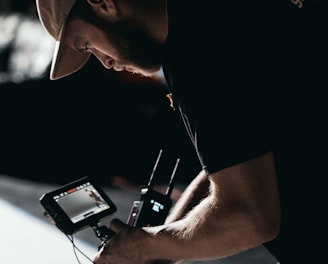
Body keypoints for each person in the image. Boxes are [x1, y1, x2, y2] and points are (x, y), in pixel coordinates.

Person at [35, 0, 327, 263]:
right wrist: (158, 245)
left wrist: (142, 248)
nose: (107, 62)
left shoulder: (193, 52)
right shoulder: (214, 15)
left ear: (103, 4)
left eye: (86, 45)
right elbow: (237, 157)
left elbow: (249, 217)